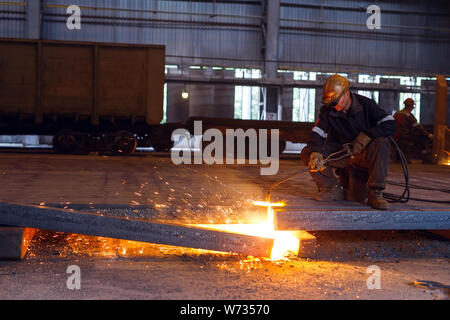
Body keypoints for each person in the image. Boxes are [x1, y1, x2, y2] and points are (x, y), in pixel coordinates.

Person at [300, 74, 397, 210]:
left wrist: (368, 136)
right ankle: (331, 189)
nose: (333, 106)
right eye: (331, 103)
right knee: (307, 152)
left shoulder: (367, 105)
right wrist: (315, 152)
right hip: (343, 153)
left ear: (346, 94)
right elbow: (318, 132)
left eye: (335, 102)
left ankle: (376, 193)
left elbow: (391, 124)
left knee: (382, 143)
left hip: (365, 156)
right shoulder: (328, 111)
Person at [393, 98, 433, 162]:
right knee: (424, 140)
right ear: (411, 106)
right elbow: (418, 127)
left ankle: (399, 158)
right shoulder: (408, 115)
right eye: (413, 106)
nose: (413, 108)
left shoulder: (397, 113)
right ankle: (426, 158)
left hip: (396, 136)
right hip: (406, 136)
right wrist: (427, 134)